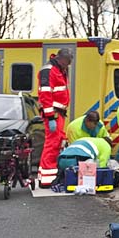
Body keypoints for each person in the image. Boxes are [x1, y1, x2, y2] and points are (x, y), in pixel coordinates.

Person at [37, 48, 73, 187]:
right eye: (68, 62)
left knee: (56, 143)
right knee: (52, 144)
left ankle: (45, 175)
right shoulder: (49, 71)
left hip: (58, 113)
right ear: (61, 58)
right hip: (54, 113)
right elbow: (45, 95)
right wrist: (50, 117)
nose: (68, 65)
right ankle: (47, 178)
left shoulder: (59, 70)